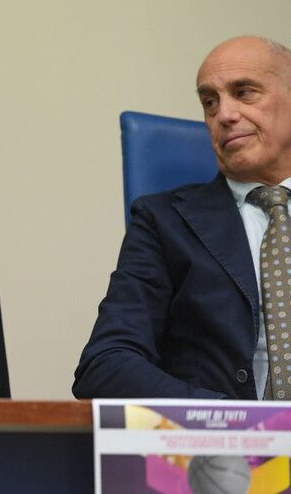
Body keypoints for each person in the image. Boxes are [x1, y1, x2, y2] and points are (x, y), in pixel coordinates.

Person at [74, 35, 291, 400]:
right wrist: (229, 419)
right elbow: (106, 364)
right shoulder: (164, 222)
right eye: (210, 102)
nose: (224, 115)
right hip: (226, 434)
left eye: (244, 93)